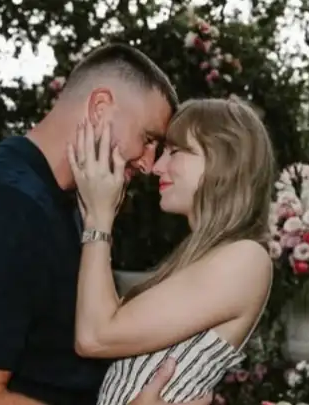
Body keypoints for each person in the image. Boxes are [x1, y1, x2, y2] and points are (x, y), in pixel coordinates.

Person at [0, 43, 209, 405]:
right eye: (149, 140)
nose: (149, 164)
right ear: (100, 108)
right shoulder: (2, 203)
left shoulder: (66, 204)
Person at [68, 98, 276, 404]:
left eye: (175, 152)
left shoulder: (245, 258)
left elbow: (94, 337)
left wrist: (99, 219)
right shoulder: (204, 257)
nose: (156, 167)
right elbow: (106, 322)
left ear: (224, 159)